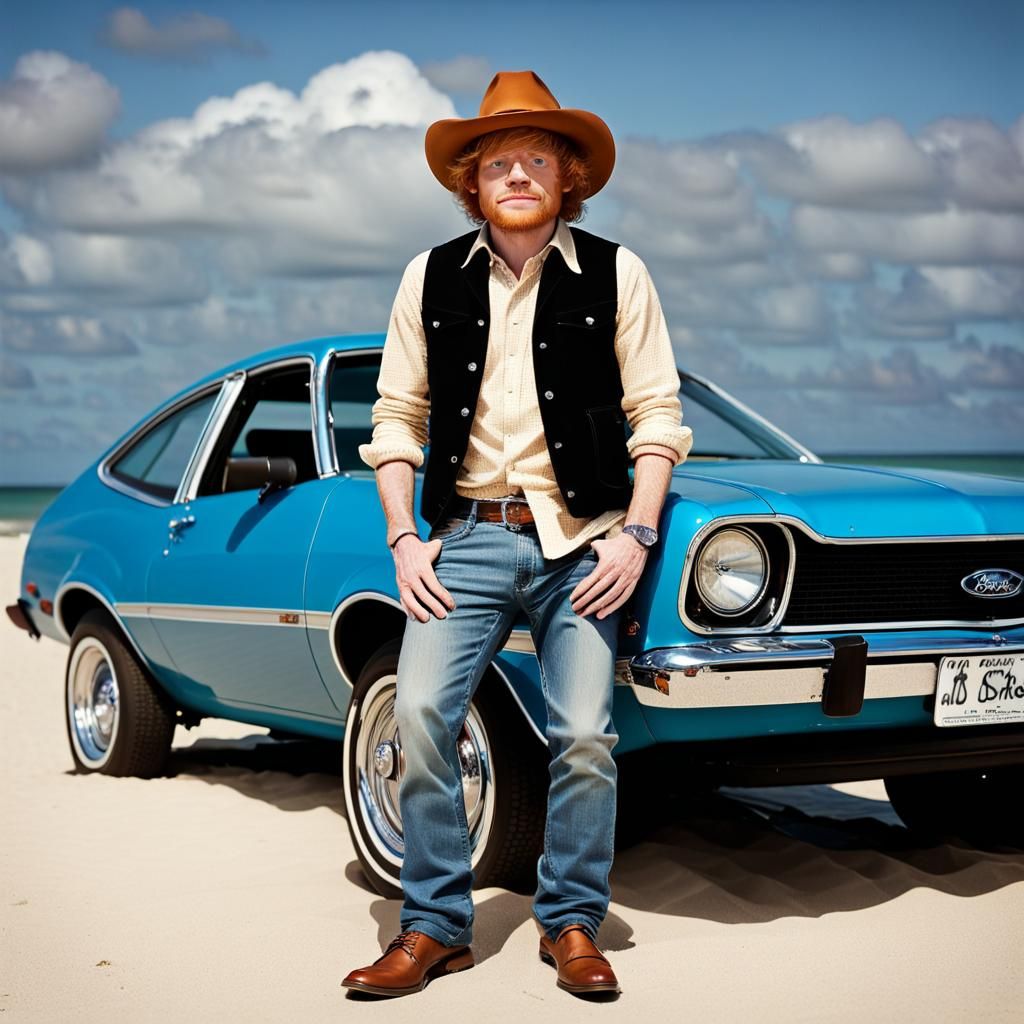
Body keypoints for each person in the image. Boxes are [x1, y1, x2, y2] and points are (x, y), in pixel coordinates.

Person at [342, 70, 693, 999]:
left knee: (583, 732)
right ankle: (434, 928)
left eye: (539, 157)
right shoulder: (429, 276)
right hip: (467, 539)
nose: (519, 174)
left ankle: (570, 920)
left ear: (567, 175)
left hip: (585, 541)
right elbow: (396, 416)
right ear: (475, 181)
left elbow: (657, 411)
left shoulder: (620, 273)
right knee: (419, 712)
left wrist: (638, 536)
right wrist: (404, 540)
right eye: (500, 161)